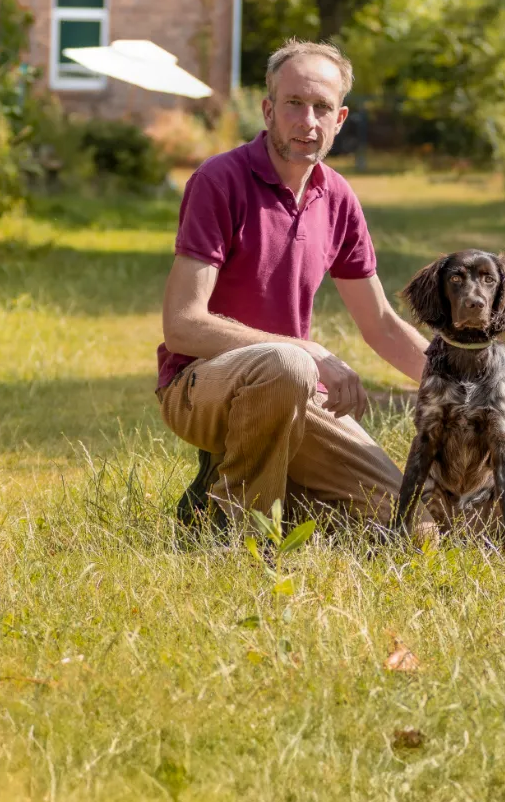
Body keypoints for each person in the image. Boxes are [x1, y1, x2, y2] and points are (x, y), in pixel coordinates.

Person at [156, 38, 435, 537]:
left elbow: (381, 326)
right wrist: (307, 350)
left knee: (411, 527)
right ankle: (239, 533)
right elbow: (182, 326)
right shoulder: (219, 180)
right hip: (200, 386)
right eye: (294, 104)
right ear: (268, 109)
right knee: (288, 364)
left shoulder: (339, 197)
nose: (307, 122)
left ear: (341, 119)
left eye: (321, 108)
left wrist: (460, 385)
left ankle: (229, 493)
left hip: (296, 393)